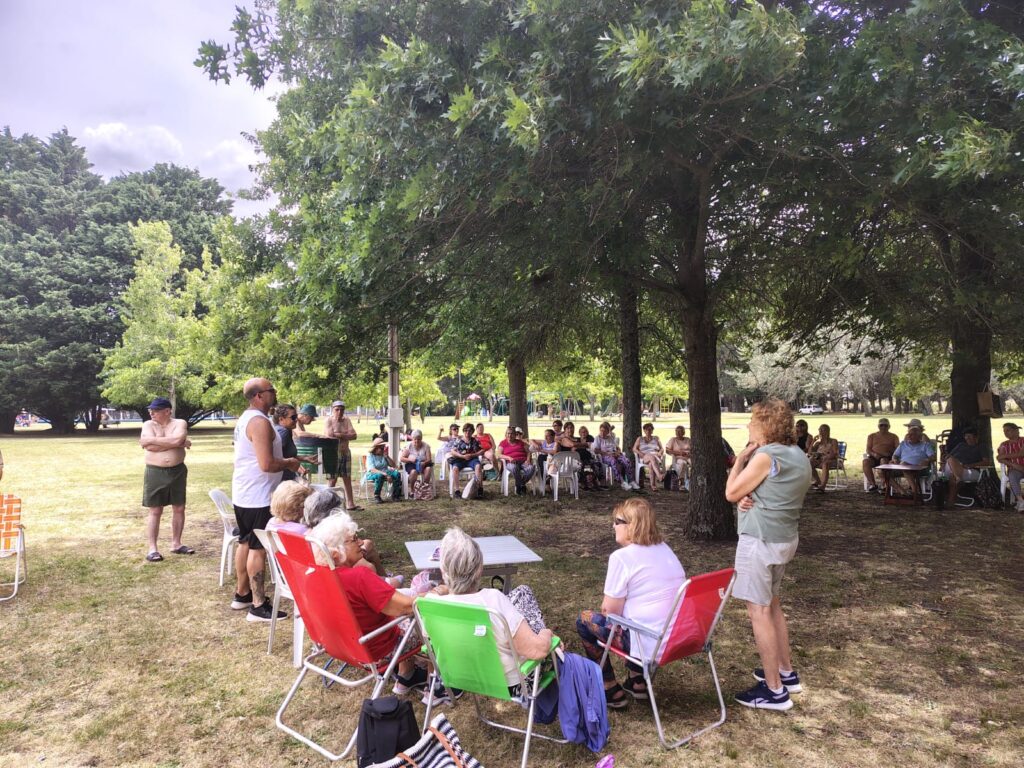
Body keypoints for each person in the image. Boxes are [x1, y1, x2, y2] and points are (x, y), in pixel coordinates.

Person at [725, 398, 810, 711]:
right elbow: (772, 491)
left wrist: (740, 459)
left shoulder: (764, 456)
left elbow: (730, 492)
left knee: (758, 611)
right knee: (772, 604)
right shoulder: (797, 454)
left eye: (752, 420)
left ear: (765, 425)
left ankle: (774, 691)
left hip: (760, 541)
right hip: (784, 538)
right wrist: (749, 496)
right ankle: (786, 673)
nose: (749, 425)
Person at [575, 498, 685, 708]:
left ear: (631, 525)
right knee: (634, 619)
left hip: (650, 643)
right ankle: (638, 681)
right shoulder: (665, 549)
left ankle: (609, 687)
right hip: (678, 638)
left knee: (585, 620)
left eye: (617, 521)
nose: (613, 526)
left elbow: (610, 612)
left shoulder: (622, 558)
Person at [308, 514, 427, 694]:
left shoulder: (313, 577)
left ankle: (407, 675)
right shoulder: (359, 577)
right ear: (335, 551)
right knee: (427, 617)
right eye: (354, 539)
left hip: (342, 648)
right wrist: (436, 593)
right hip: (378, 651)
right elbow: (408, 607)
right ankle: (439, 684)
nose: (361, 542)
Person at [434, 527, 554, 701]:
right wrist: (547, 633)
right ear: (479, 569)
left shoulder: (432, 605)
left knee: (521, 593)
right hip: (511, 685)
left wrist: (443, 590)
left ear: (443, 570)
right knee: (524, 599)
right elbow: (538, 651)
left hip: (462, 678)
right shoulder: (493, 602)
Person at [231, 377, 302, 622]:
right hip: (259, 496)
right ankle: (258, 605)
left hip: (244, 493)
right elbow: (267, 464)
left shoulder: (246, 418)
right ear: (259, 396)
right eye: (271, 389)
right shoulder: (259, 422)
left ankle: (242, 594)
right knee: (257, 548)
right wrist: (290, 463)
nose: (275, 392)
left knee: (245, 542)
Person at [139, 397, 192, 562]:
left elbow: (173, 440)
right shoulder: (148, 425)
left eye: (155, 410)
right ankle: (152, 549)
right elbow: (148, 446)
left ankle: (176, 544)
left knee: (179, 508)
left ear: (167, 411)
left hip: (177, 471)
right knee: (155, 510)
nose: (151, 413)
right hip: (155, 471)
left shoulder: (179, 423)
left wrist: (152, 440)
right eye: (151, 410)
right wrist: (179, 443)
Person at [324, 400, 360, 511]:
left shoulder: (346, 420)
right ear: (333, 409)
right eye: (337, 409)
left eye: (342, 410)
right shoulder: (329, 420)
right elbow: (330, 435)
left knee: (347, 478)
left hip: (345, 452)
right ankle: (327, 504)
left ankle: (350, 504)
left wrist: (339, 435)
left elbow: (354, 435)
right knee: (332, 480)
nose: (339, 412)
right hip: (333, 453)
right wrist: (345, 435)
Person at [884, 425, 935, 497]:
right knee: (883, 472)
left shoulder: (925, 445)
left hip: (918, 469)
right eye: (908, 434)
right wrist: (895, 460)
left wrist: (927, 459)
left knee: (904, 466)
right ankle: (902, 491)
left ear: (919, 436)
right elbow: (895, 455)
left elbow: (933, 457)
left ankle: (915, 492)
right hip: (902, 467)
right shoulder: (903, 444)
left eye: (912, 434)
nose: (909, 436)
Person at [943, 427, 990, 504]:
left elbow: (986, 462)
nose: (967, 438)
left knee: (952, 475)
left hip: (970, 470)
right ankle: (958, 479)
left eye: (969, 436)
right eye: (966, 436)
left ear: (976, 437)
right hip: (955, 467)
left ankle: (950, 501)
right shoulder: (961, 445)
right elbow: (948, 456)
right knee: (951, 459)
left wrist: (971, 465)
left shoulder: (981, 447)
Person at [593, 421, 635, 491]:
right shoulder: (598, 438)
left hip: (615, 454)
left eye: (604, 431)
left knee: (626, 461)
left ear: (608, 431)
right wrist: (608, 454)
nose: (602, 433)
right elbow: (596, 450)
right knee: (614, 461)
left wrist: (618, 452)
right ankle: (622, 482)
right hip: (606, 456)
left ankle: (631, 481)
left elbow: (617, 447)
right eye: (601, 431)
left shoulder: (611, 437)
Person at [449, 422, 485, 498]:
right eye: (466, 430)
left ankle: (479, 488)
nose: (467, 432)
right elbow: (452, 451)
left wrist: (473, 455)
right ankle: (457, 491)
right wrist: (462, 456)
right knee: (455, 469)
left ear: (472, 432)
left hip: (472, 459)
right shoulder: (458, 440)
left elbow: (482, 450)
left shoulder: (475, 440)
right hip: (460, 459)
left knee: (478, 466)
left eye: (469, 431)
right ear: (463, 431)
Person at [862, 417, 898, 493]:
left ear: (889, 426)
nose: (883, 427)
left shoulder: (894, 436)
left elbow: (898, 450)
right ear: (878, 426)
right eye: (881, 425)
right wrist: (874, 454)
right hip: (874, 457)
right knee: (865, 462)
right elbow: (868, 449)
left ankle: (885, 485)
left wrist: (890, 453)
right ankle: (873, 484)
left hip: (887, 457)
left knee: (883, 461)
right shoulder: (872, 436)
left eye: (885, 425)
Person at [497, 426, 535, 495]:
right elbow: (499, 454)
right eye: (508, 433)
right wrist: (509, 458)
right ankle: (521, 486)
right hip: (511, 462)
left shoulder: (520, 442)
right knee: (514, 468)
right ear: (506, 434)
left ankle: (520, 484)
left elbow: (528, 452)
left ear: (515, 435)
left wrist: (528, 459)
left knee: (531, 468)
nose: (510, 435)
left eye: (512, 434)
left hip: (523, 461)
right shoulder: (503, 443)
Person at [996, 422, 1024, 511]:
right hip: (1015, 469)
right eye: (1004, 431)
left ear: (1016, 431)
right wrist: (1014, 465)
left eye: (1008, 430)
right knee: (1012, 475)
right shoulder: (1004, 444)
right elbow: (999, 458)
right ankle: (1020, 500)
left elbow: (1021, 453)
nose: (1005, 433)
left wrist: (1004, 456)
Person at [366, 437, 403, 503]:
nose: (383, 449)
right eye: (382, 448)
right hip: (373, 473)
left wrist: (387, 457)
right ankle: (377, 496)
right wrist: (385, 474)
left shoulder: (383, 455)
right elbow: (372, 469)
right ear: (376, 448)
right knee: (380, 476)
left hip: (385, 472)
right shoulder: (370, 456)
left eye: (384, 447)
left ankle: (396, 495)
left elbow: (394, 466)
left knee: (397, 474)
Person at [273, 404, 302, 482]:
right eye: (293, 417)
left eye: (296, 416)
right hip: (283, 480)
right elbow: (275, 456)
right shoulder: (283, 431)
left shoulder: (286, 430)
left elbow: (284, 454)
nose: (296, 420)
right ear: (281, 419)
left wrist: (305, 458)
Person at [632, 423, 665, 490]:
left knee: (651, 464)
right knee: (651, 457)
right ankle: (659, 475)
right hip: (645, 456)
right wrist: (640, 453)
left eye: (650, 429)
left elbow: (662, 448)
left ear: (652, 430)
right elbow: (634, 449)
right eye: (646, 429)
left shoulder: (656, 438)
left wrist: (660, 452)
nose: (648, 431)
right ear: (644, 430)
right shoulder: (640, 439)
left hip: (655, 456)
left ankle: (653, 486)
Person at [399, 429, 433, 494]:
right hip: (412, 464)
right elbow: (401, 458)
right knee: (413, 472)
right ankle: (412, 489)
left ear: (421, 439)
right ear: (412, 439)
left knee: (428, 469)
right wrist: (410, 460)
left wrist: (424, 463)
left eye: (419, 439)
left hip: (423, 464)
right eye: (415, 439)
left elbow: (429, 459)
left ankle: (424, 488)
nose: (417, 441)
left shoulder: (426, 446)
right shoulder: (409, 446)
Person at [808, 424, 839, 492]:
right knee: (809, 462)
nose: (821, 431)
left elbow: (835, 453)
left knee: (825, 463)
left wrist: (826, 456)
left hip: (831, 460)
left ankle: (822, 486)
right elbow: (809, 452)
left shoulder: (833, 441)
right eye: (820, 430)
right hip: (820, 460)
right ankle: (817, 481)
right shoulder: (818, 443)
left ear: (828, 431)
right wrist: (813, 441)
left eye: (823, 430)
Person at [664, 425, 692, 491]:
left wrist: (689, 453)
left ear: (684, 432)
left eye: (680, 431)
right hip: (678, 458)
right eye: (677, 431)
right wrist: (679, 453)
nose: (678, 433)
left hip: (689, 457)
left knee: (696, 464)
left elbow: (693, 449)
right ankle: (682, 483)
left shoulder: (688, 440)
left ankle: (692, 481)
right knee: (682, 463)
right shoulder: (673, 440)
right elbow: (667, 450)